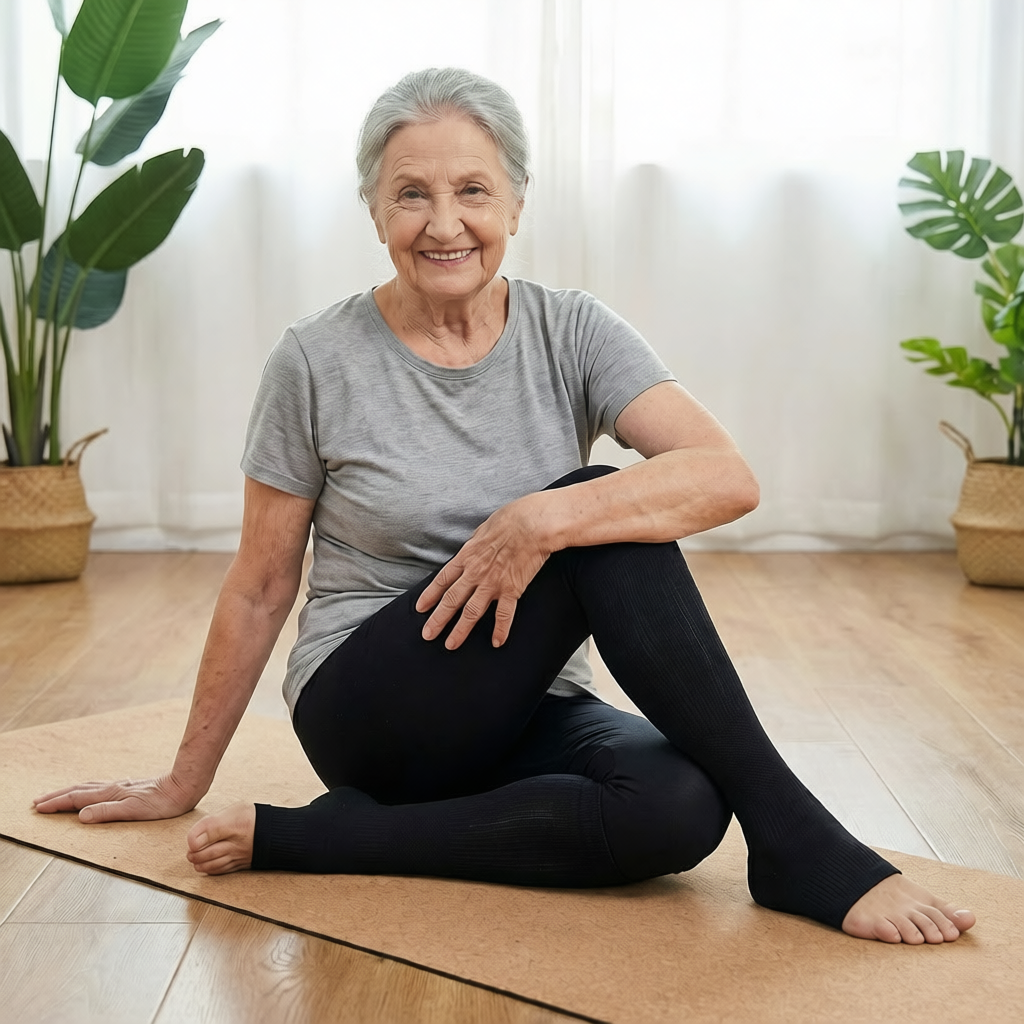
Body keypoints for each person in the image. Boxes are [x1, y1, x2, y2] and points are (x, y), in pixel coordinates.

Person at [34, 68, 975, 945]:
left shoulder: (574, 329)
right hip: (372, 706)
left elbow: (725, 477)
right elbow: (261, 583)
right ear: (374, 210)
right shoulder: (315, 361)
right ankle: (802, 842)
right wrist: (181, 779)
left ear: (517, 203)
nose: (445, 223)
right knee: (603, 508)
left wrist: (538, 522)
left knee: (679, 806)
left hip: (525, 700)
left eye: (473, 191)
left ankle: (319, 840)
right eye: (411, 193)